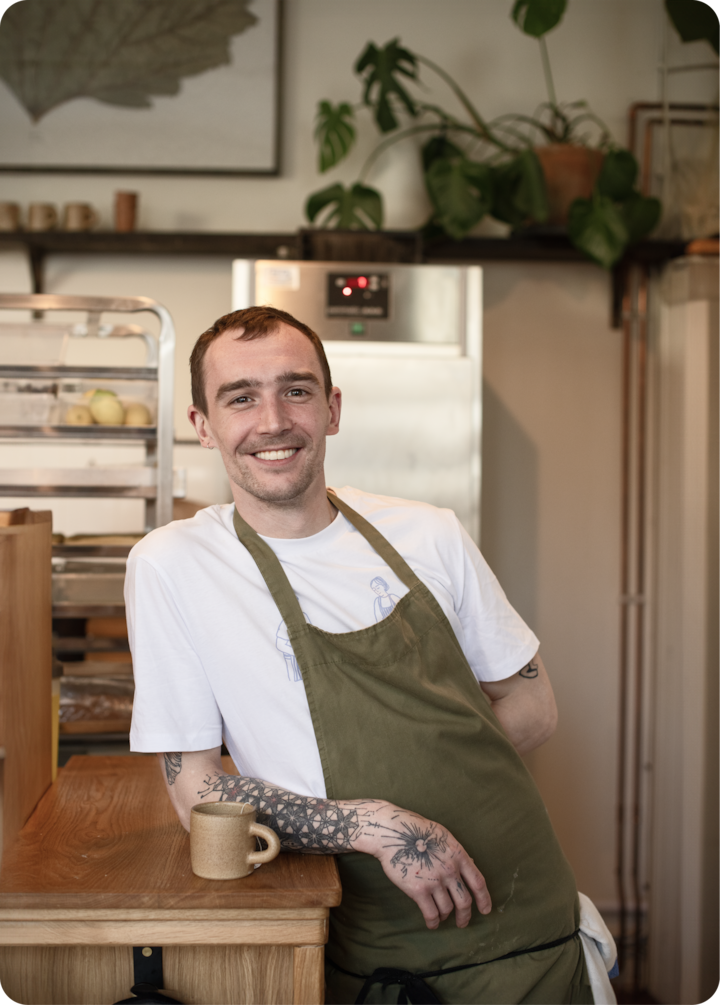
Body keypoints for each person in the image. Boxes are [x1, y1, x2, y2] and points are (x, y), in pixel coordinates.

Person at [127, 305, 597, 1005]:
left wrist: (446, 786)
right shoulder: (175, 566)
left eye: (296, 389)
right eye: (240, 397)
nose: (273, 420)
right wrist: (381, 822)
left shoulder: (429, 533)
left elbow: (534, 703)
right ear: (202, 425)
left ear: (332, 407)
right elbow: (194, 790)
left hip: (533, 915)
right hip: (376, 938)